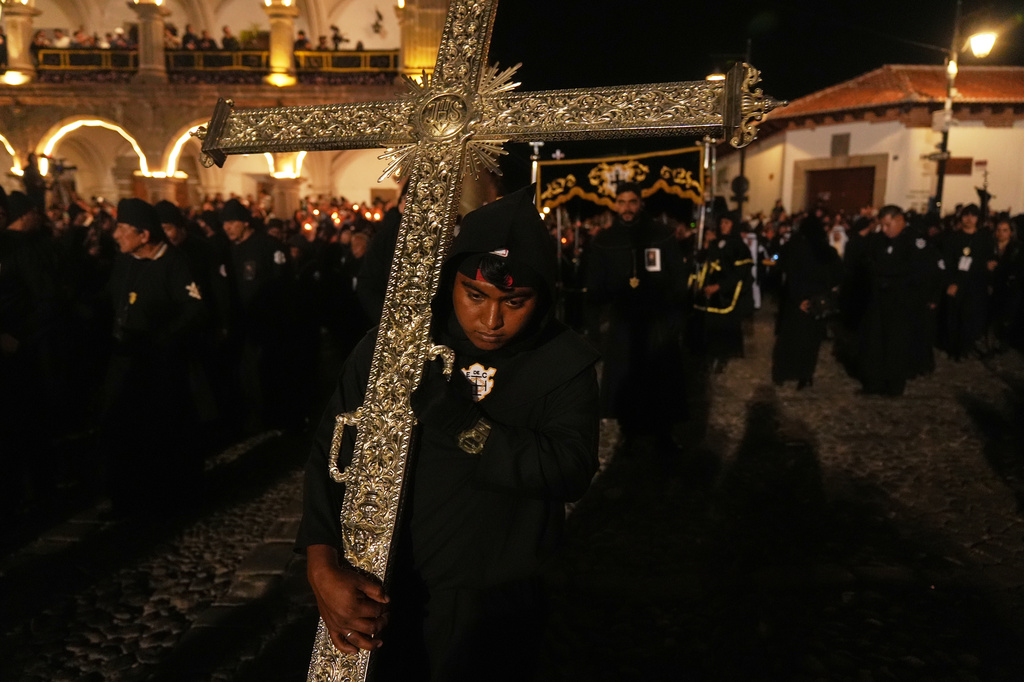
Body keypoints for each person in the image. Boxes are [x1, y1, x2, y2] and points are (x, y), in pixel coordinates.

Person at [297, 186, 600, 681]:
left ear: (542, 293)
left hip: (493, 602)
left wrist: (466, 427)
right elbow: (332, 451)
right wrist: (320, 562)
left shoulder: (562, 363)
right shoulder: (396, 346)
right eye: (474, 295)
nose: (492, 320)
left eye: (514, 301)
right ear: (449, 282)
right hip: (383, 584)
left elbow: (568, 470)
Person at [99, 198, 206, 515]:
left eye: (121, 229)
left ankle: (166, 500)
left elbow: (194, 309)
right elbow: (111, 298)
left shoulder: (175, 263)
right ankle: (125, 497)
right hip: (124, 361)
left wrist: (161, 340)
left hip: (159, 368)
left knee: (160, 434)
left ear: (143, 235)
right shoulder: (126, 260)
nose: (116, 235)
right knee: (119, 430)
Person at [585, 182, 688, 455]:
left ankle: (662, 433)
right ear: (615, 204)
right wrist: (596, 324)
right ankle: (628, 433)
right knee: (626, 378)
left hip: (657, 321)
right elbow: (595, 285)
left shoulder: (661, 234)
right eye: (621, 202)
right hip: (623, 324)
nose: (627, 208)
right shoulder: (604, 240)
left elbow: (678, 278)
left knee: (659, 379)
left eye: (632, 201)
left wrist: (675, 317)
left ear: (640, 203)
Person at [857, 205, 942, 396]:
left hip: (902, 302)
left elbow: (919, 272)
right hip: (879, 300)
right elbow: (867, 263)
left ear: (899, 220)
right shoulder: (879, 240)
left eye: (888, 225)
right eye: (882, 226)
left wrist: (886, 273)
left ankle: (894, 385)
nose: (885, 230)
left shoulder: (914, 241)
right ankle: (873, 382)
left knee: (897, 345)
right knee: (876, 342)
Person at [770, 214, 843, 389]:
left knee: (788, 340)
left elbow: (785, 270)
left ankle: (783, 373)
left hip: (795, 301)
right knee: (810, 343)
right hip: (816, 303)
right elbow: (838, 275)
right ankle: (805, 375)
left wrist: (798, 299)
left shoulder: (794, 247)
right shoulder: (827, 251)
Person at [692, 210, 753, 373]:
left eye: (727, 223)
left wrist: (719, 287)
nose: (723, 226)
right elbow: (703, 260)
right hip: (708, 290)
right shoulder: (715, 242)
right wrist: (706, 245)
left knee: (721, 327)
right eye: (722, 223)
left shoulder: (739, 247)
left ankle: (721, 357)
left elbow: (739, 274)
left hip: (725, 293)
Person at [940, 204, 996, 359]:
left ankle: (966, 347)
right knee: (954, 316)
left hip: (976, 284)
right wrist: (950, 281)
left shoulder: (984, 238)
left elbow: (988, 258)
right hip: (957, 282)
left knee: (970, 317)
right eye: (966, 215)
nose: (969, 219)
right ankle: (954, 347)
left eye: (973, 216)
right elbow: (947, 261)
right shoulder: (953, 238)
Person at [987, 215, 1023, 352]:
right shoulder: (991, 246)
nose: (1001, 233)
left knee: (1006, 318)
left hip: (1009, 288)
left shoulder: (1017, 248)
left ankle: (1002, 341)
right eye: (999, 230)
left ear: (1011, 232)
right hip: (993, 286)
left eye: (1004, 230)